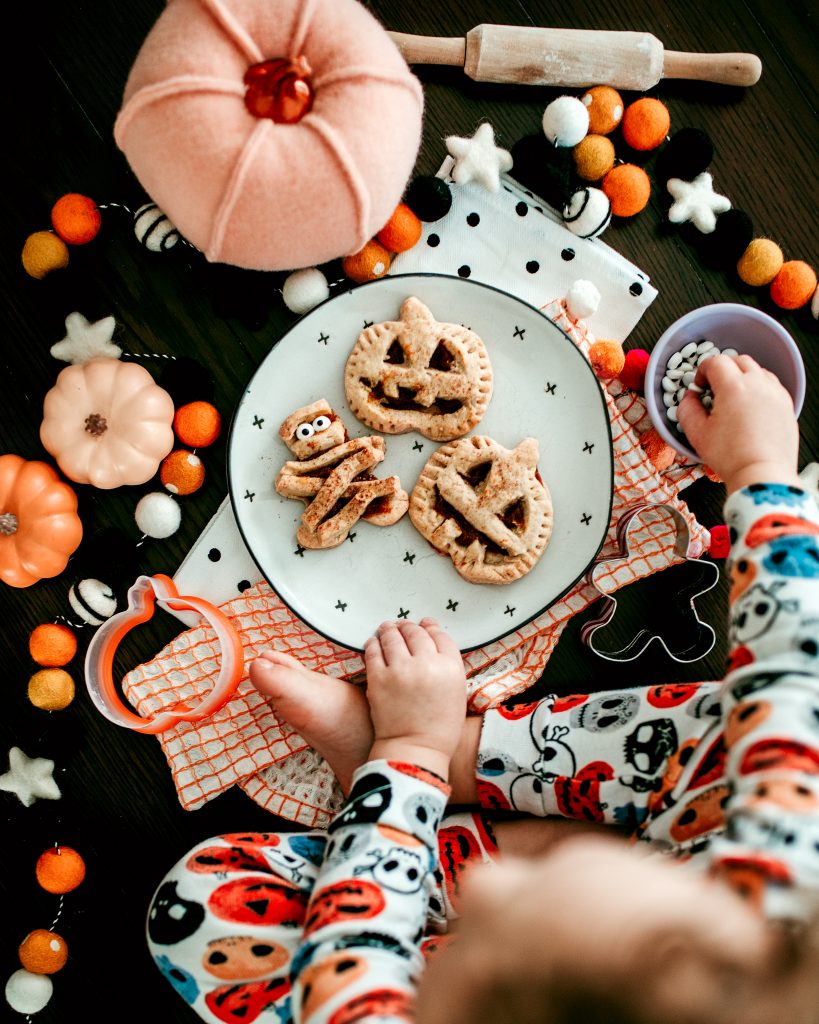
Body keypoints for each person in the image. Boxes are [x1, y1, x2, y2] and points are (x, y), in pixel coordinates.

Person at [146, 353, 819, 1024]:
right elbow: (791, 666)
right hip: (693, 805)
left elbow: (356, 959)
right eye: (530, 883)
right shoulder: (781, 879)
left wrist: (407, 753)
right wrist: (761, 470)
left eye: (485, 942)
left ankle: (393, 784)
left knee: (198, 910)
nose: (488, 890)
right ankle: (462, 764)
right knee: (732, 737)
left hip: (381, 948)